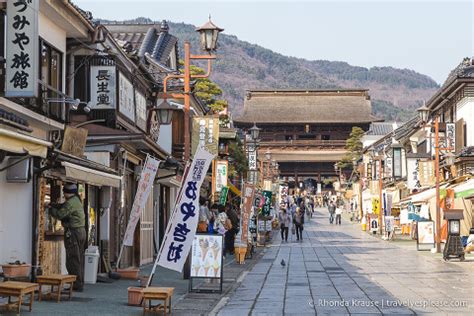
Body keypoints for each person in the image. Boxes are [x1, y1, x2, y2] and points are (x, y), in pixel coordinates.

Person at [48, 183, 86, 291]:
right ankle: (79, 282)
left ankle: (76, 284)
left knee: (72, 258)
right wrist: (56, 205)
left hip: (73, 233)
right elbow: (63, 206)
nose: (63, 194)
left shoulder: (70, 203)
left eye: (64, 192)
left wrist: (51, 209)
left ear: (66, 192)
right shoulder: (76, 200)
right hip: (81, 231)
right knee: (79, 258)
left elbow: (60, 214)